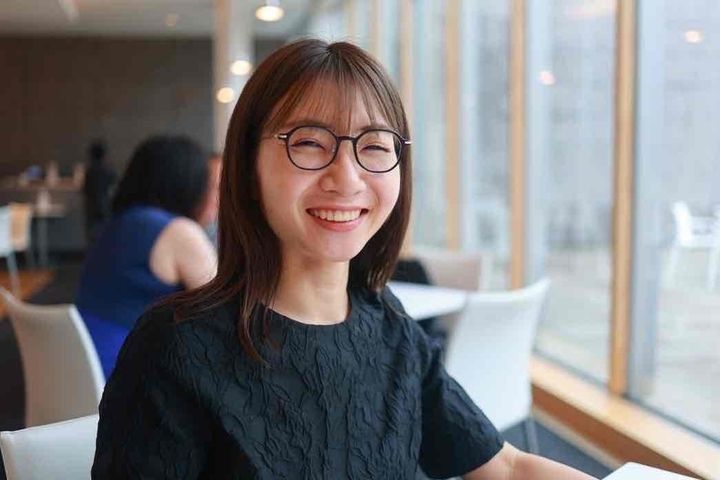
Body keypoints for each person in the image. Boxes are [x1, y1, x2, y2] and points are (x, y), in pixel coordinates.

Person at [91, 40, 596, 479]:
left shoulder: (388, 324)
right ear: (247, 169)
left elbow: (505, 466)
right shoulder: (176, 345)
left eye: (374, 146)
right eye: (310, 143)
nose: (347, 177)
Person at [76, 135, 217, 379]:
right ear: (189, 185)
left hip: (79, 368)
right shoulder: (179, 232)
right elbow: (226, 313)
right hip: (127, 377)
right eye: (212, 186)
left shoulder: (118, 224)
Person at [82, 139, 117, 240]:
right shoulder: (108, 171)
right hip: (105, 209)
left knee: (93, 238)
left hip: (92, 209)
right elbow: (114, 188)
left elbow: (85, 190)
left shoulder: (89, 172)